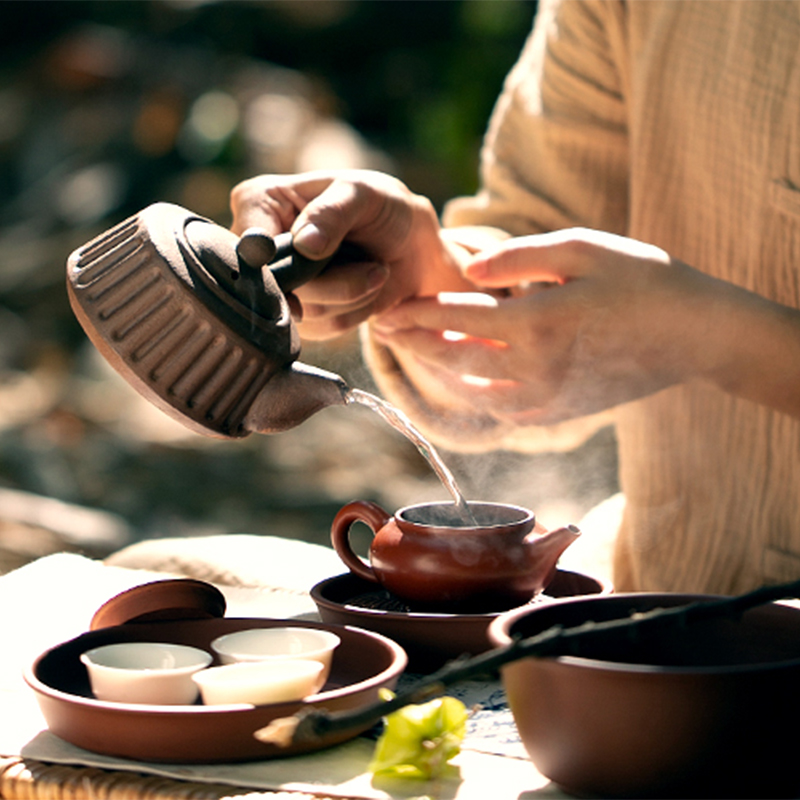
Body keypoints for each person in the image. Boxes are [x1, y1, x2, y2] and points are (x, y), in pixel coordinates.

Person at [230, 0, 800, 596]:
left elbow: (652, 319)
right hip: (667, 624)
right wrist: (426, 276)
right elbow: (539, 250)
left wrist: (719, 341)